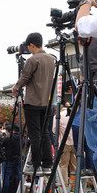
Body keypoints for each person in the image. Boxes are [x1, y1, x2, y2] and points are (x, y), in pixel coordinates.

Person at [12, 32, 56, 174]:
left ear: (32, 45)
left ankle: (36, 163)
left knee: (35, 134)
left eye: (28, 46)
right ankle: (47, 163)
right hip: (47, 102)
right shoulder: (52, 59)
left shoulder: (32, 60)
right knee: (46, 133)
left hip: (33, 102)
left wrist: (16, 87)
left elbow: (24, 77)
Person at [75, 0, 97, 176]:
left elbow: (81, 26)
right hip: (93, 88)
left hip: (96, 91)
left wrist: (86, 2)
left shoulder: (93, 31)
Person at [53, 106, 76, 185]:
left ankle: (64, 185)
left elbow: (54, 130)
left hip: (64, 142)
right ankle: (74, 186)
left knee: (63, 165)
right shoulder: (74, 114)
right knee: (74, 166)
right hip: (75, 143)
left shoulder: (58, 116)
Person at [1, 125, 21, 193]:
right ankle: (19, 191)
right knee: (18, 176)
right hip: (17, 159)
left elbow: (2, 144)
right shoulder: (20, 138)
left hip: (8, 159)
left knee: (6, 177)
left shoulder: (8, 138)